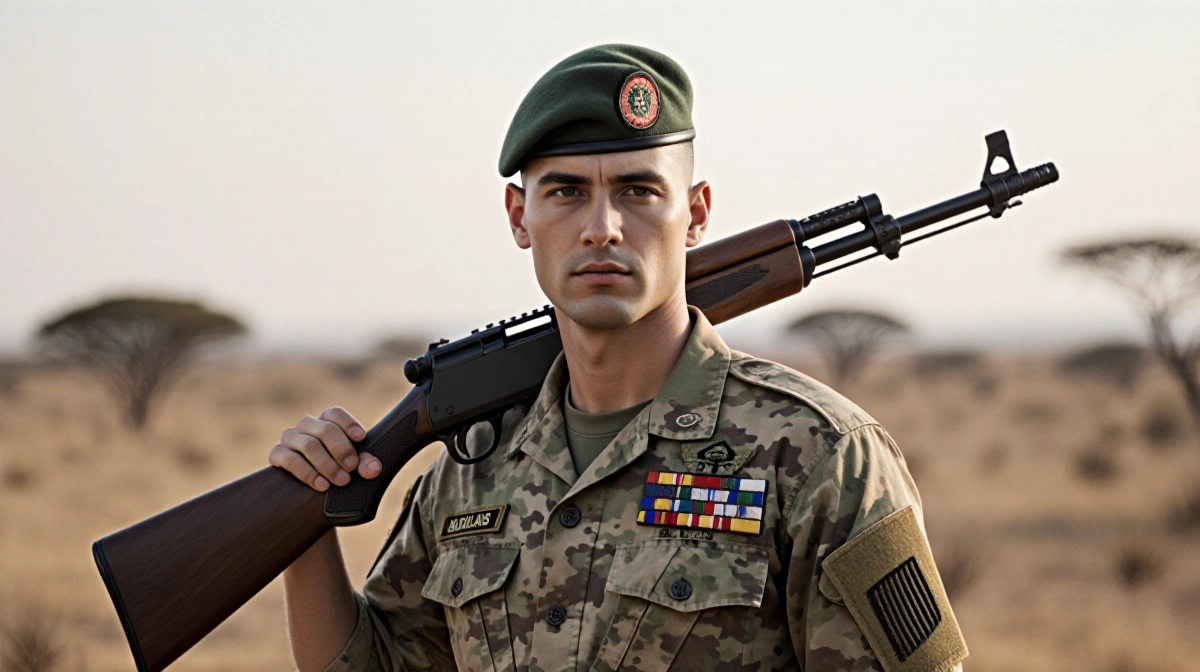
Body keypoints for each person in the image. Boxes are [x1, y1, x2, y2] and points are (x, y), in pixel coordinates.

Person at [270, 44, 968, 672]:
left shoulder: (821, 456)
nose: (602, 228)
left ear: (696, 213)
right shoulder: (470, 474)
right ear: (519, 216)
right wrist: (302, 527)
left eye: (638, 191)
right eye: (566, 192)